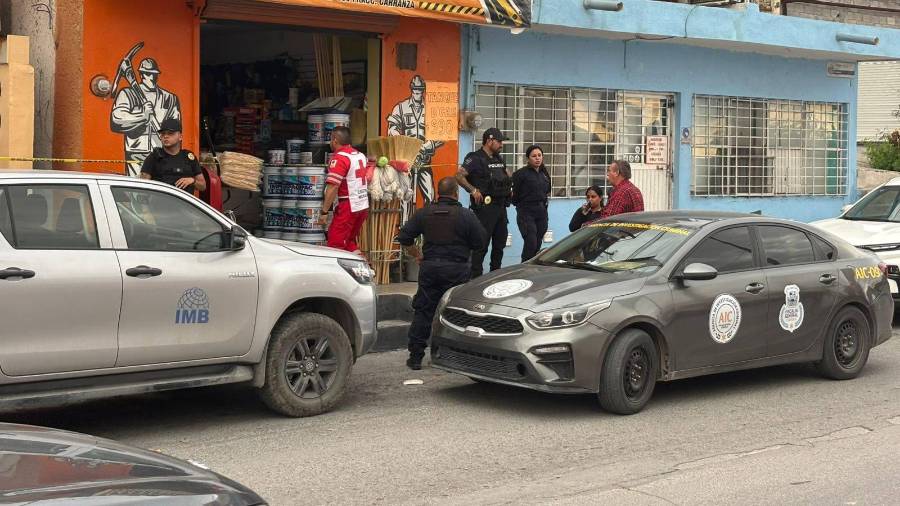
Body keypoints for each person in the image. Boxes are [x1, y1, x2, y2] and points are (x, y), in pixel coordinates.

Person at [397, 177, 486, 370]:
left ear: (438, 192)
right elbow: (480, 242)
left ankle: (415, 357)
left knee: (423, 311)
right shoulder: (466, 215)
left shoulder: (424, 213)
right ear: (456, 193)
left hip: (430, 269)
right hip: (456, 270)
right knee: (456, 313)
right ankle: (455, 356)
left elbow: (404, 237)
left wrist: (417, 255)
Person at [111, 57, 182, 178]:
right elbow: (116, 120)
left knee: (162, 188)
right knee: (136, 190)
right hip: (137, 153)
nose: (152, 77)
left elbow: (176, 127)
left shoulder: (169, 98)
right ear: (141, 74)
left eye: (154, 74)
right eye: (148, 74)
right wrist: (143, 117)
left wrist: (175, 154)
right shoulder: (128, 94)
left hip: (162, 152)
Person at [456, 127, 512, 278]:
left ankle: (495, 276)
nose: (501, 144)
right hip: (484, 209)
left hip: (500, 208)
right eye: (499, 141)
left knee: (499, 245)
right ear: (489, 141)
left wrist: (509, 186)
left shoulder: (498, 158)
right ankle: (475, 278)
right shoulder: (474, 157)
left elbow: (506, 175)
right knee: (481, 245)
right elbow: (459, 176)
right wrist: (473, 190)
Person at [319, 126, 369, 254]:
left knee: (335, 245)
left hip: (348, 205)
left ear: (334, 140)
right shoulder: (360, 155)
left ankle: (337, 273)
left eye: (331, 139)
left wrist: (324, 212)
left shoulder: (339, 158)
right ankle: (365, 270)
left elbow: (333, 186)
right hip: (362, 205)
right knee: (349, 242)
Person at [139, 118, 206, 194]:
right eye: (163, 133)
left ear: (180, 136)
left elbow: (203, 186)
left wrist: (192, 180)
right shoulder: (154, 157)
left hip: (184, 204)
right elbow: (142, 188)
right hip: (160, 204)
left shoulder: (189, 157)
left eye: (170, 133)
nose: (165, 136)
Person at [511, 145, 550, 262]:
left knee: (537, 243)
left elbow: (547, 192)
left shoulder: (544, 173)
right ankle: (524, 267)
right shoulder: (520, 174)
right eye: (534, 156)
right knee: (531, 242)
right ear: (528, 158)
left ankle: (533, 267)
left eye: (539, 155)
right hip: (526, 212)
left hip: (541, 212)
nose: (537, 158)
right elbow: (515, 196)